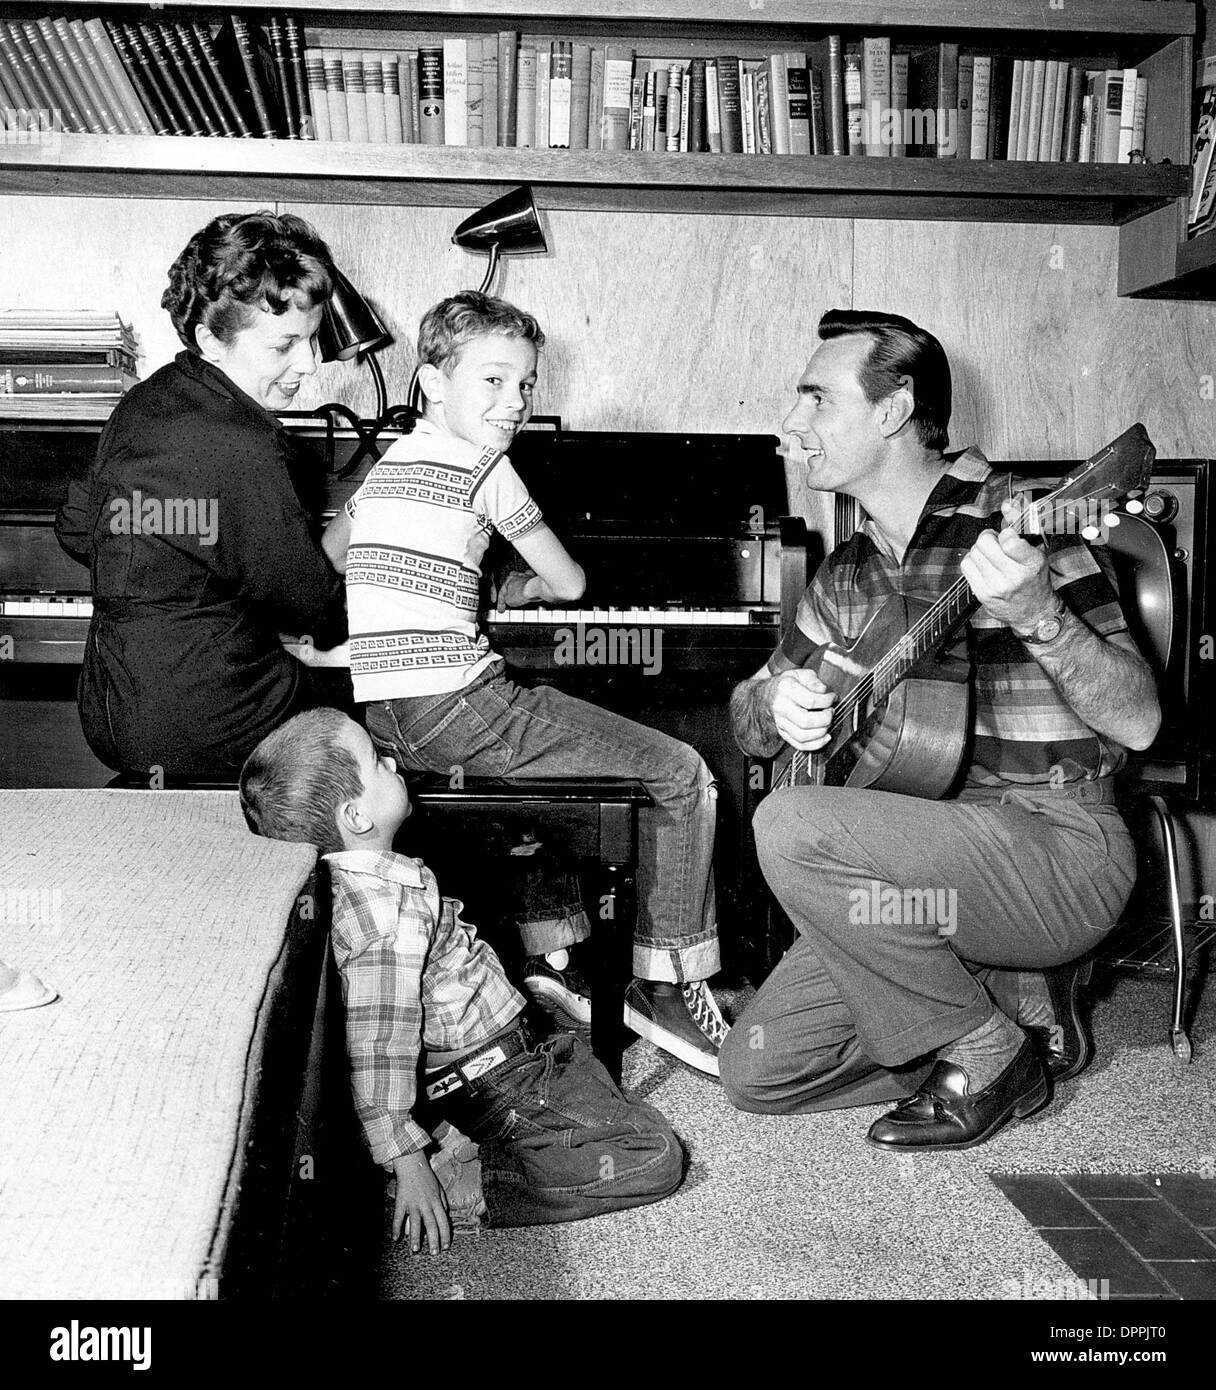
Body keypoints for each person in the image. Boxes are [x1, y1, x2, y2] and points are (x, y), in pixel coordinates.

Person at [720, 309, 1160, 1151]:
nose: (792, 422)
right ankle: (1000, 1000)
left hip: (1059, 852)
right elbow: (752, 727)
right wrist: (772, 703)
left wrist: (1040, 615)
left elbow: (1138, 723)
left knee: (791, 824)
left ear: (891, 412)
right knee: (759, 1071)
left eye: (816, 398)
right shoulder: (846, 572)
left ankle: (986, 1049)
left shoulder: (1021, 524)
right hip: (921, 892)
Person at [316, 291, 729, 1076]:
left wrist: (465, 582)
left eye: (527, 386)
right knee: (683, 771)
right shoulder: (487, 468)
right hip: (461, 708)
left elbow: (337, 554)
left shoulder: (386, 461)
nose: (515, 403)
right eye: (495, 382)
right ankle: (668, 983)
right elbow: (570, 583)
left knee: (559, 756)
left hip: (388, 720)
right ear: (431, 381)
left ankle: (559, 957)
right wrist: (519, 587)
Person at [239, 707, 685, 1248]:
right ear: (356, 817)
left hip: (498, 1061)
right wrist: (405, 1159)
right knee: (654, 1155)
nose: (391, 759)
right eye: (376, 762)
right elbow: (379, 1043)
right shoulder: (384, 918)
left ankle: (467, 1138)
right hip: (491, 1080)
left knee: (587, 1079)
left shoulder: (376, 881)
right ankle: (472, 1183)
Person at [54, 211, 347, 779]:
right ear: (212, 339)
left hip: (113, 711)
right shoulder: (244, 442)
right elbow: (318, 610)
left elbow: (74, 528)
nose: (309, 365)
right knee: (391, 701)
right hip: (213, 721)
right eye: (285, 344)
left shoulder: (144, 401)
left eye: (312, 341)